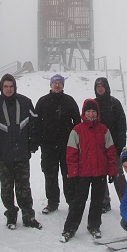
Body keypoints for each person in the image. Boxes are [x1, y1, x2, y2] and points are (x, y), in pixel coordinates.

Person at [0, 74, 42, 230]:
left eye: (11, 86)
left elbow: (35, 124)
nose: (8, 89)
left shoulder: (25, 102)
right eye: (5, 86)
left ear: (15, 87)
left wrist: (33, 145)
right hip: (3, 155)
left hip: (22, 153)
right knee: (6, 188)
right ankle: (11, 215)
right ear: (1, 87)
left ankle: (28, 216)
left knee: (24, 187)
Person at [60, 99, 117, 242]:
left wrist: (112, 170)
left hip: (100, 172)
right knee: (78, 202)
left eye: (93, 112)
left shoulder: (104, 130)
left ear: (97, 113)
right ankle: (69, 229)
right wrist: (72, 172)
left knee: (97, 201)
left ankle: (94, 226)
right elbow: (71, 154)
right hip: (82, 173)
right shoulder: (77, 130)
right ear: (84, 113)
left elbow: (110, 152)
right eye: (88, 111)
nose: (91, 114)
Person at [35, 74, 81, 214]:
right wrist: (39, 140)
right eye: (54, 83)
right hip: (48, 146)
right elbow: (36, 123)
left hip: (67, 146)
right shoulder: (43, 101)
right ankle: (52, 203)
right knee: (50, 175)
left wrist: (76, 141)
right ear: (50, 85)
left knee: (69, 175)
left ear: (63, 85)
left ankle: (71, 201)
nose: (57, 85)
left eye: (59, 83)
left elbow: (77, 122)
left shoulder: (69, 101)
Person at [94, 77, 127, 213]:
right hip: (98, 147)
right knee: (100, 176)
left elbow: (122, 126)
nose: (100, 89)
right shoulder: (93, 104)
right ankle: (104, 202)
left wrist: (120, 145)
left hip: (114, 146)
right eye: (98, 87)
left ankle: (126, 202)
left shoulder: (115, 103)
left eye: (102, 86)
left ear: (107, 87)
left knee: (118, 175)